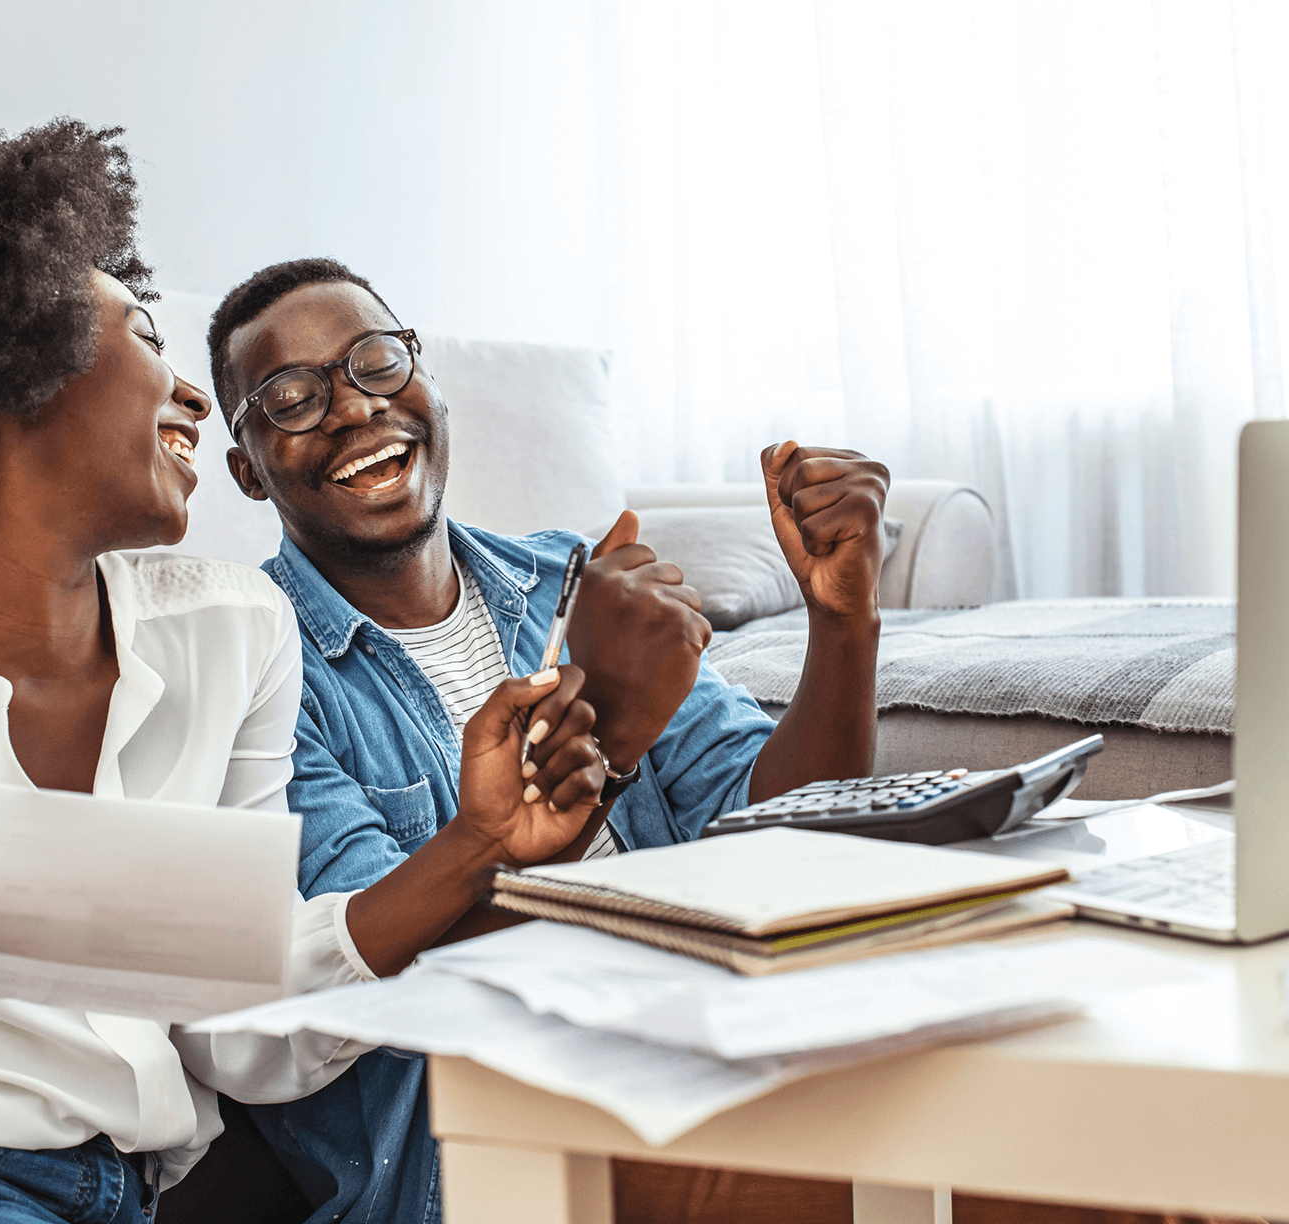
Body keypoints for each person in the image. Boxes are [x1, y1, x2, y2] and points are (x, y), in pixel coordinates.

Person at [0, 122, 603, 1224]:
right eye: (147, 336)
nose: (196, 399)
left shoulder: (230, 633)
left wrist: (477, 845)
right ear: (13, 372)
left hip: (149, 1190)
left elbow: (239, 1027)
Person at [207, 257, 889, 1223]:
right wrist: (612, 740)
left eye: (377, 361)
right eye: (292, 399)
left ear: (429, 381)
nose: (355, 407)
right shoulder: (252, 665)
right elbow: (380, 967)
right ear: (247, 470)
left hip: (715, 1049)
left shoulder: (568, 578)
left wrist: (844, 621)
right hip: (490, 1156)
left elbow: (786, 829)